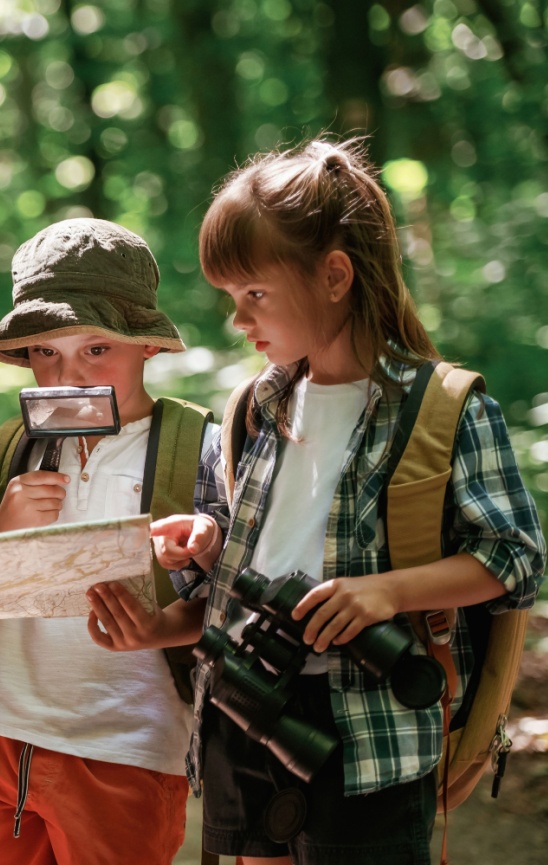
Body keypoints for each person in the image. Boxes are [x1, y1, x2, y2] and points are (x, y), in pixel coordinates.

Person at [145, 138, 545, 864]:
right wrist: (206, 543)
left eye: (255, 294)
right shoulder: (249, 411)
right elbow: (239, 557)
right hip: (241, 708)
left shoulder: (441, 408)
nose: (239, 319)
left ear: (334, 275)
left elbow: (515, 556)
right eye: (229, 299)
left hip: (370, 729)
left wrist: (386, 593)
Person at [0, 218, 209, 865]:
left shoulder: (198, 446)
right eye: (45, 353)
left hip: (127, 744)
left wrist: (165, 612)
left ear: (146, 344)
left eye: (96, 349)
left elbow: (235, 608)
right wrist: (4, 524)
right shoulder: (15, 448)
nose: (69, 374)